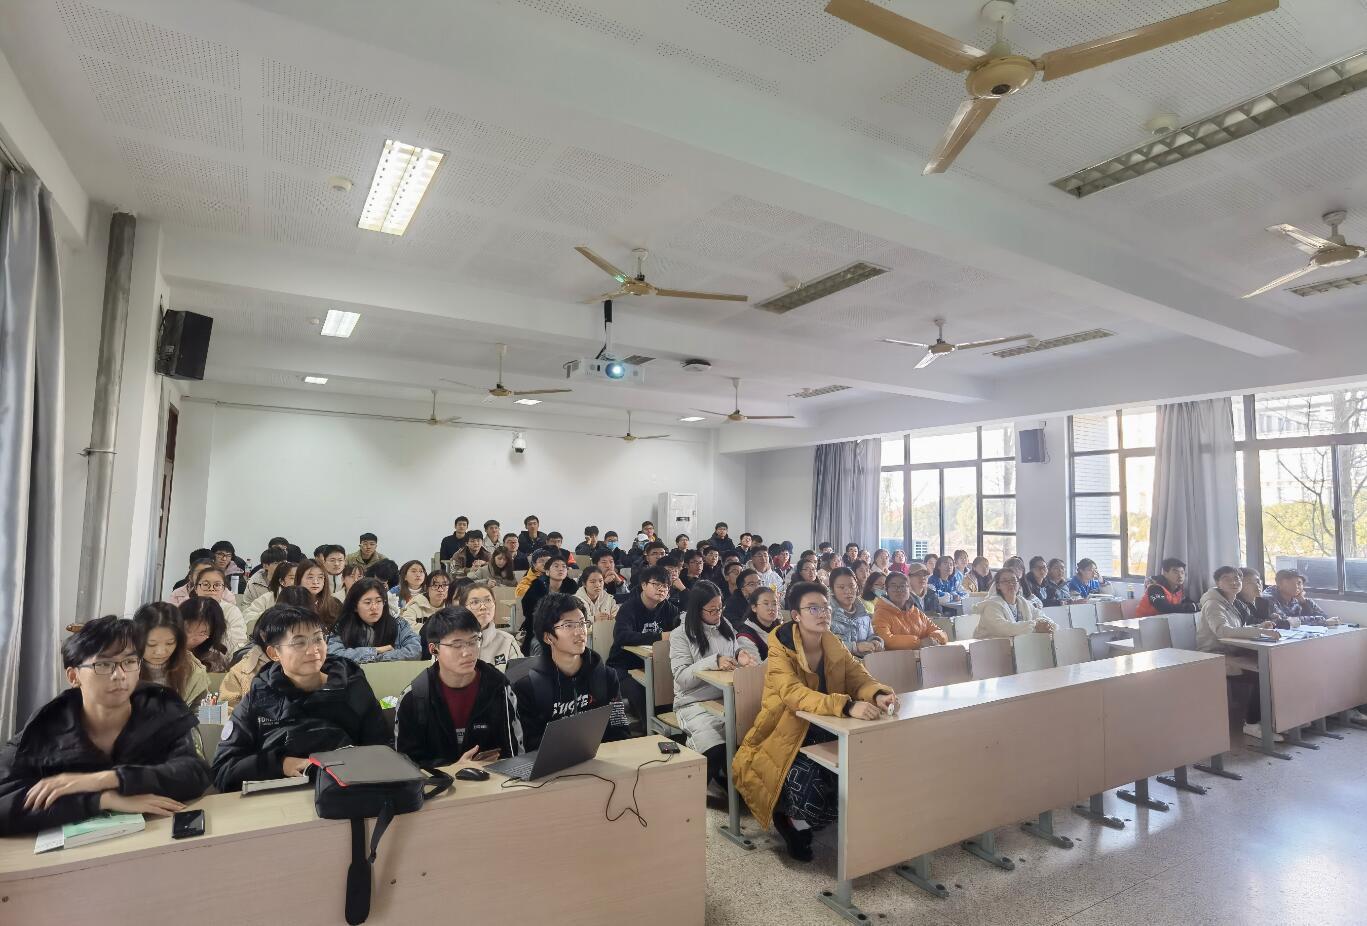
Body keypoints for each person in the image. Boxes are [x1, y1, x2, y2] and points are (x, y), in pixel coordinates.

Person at [0, 616, 211, 835]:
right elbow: (4, 798)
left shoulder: (162, 706)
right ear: (73, 676)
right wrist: (101, 800)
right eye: (103, 664)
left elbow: (195, 772)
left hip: (156, 834)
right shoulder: (47, 724)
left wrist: (106, 780)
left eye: (129, 662)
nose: (119, 675)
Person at [733, 582, 895, 861]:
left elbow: (858, 677)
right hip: (787, 728)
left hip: (827, 723)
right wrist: (846, 706)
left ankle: (809, 818)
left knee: (863, 764)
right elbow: (793, 694)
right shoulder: (780, 647)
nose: (823, 613)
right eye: (813, 608)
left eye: (826, 607)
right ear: (796, 615)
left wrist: (878, 693)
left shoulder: (833, 643)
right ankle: (788, 817)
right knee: (812, 785)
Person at [212, 605, 392, 793]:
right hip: (279, 799)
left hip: (345, 794)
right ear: (274, 653)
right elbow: (223, 770)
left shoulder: (352, 687)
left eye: (318, 639)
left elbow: (382, 752)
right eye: (299, 643)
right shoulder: (259, 697)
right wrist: (281, 764)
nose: (313, 650)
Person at [395, 607, 524, 767]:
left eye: (473, 641)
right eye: (457, 645)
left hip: (493, 779)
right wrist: (454, 769)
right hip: (437, 782)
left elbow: (514, 753)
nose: (467, 652)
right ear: (434, 649)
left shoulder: (498, 687)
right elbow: (406, 766)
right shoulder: (414, 697)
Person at [513, 593, 632, 750]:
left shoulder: (606, 676)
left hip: (602, 758)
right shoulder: (527, 688)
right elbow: (529, 746)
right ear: (548, 637)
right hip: (554, 762)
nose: (580, 631)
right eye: (568, 625)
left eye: (582, 623)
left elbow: (620, 731)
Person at [671, 582, 759, 791]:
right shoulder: (681, 634)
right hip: (694, 703)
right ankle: (688, 796)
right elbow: (681, 677)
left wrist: (740, 655)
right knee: (715, 749)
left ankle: (732, 782)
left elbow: (733, 651)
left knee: (754, 740)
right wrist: (714, 661)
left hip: (728, 698)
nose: (718, 614)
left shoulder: (724, 624)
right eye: (712, 610)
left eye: (720, 608)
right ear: (697, 609)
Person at [1198, 566, 1280, 740]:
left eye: (1237, 578)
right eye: (1227, 579)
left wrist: (1259, 626)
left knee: (1275, 667)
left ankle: (1278, 720)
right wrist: (1260, 632)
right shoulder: (1213, 604)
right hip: (1214, 655)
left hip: (1234, 651)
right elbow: (1223, 631)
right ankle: (1251, 724)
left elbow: (1238, 629)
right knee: (1263, 674)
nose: (1234, 582)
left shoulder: (1233, 602)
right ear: (1218, 583)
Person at [609, 564, 681, 731]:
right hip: (623, 666)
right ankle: (649, 730)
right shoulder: (629, 608)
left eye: (666, 586)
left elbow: (680, 632)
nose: (662, 589)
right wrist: (659, 637)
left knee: (667, 689)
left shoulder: (669, 608)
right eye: (656, 584)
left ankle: (670, 731)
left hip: (655, 665)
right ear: (643, 585)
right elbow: (621, 636)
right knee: (641, 691)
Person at [133, 602, 210, 709]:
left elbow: (201, 713)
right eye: (151, 644)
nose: (160, 652)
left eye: (169, 643)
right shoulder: (122, 668)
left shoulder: (194, 672)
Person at [328, 578, 424, 663]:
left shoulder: (398, 624)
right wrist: (375, 651)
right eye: (367, 602)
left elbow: (415, 650)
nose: (374, 607)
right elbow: (333, 654)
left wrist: (380, 657)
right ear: (355, 606)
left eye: (378, 601)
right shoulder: (343, 626)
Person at [872, 570, 948, 650]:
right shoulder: (881, 613)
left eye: (903, 586)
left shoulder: (916, 611)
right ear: (886, 590)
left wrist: (933, 639)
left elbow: (939, 632)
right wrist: (919, 643)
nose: (899, 590)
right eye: (894, 586)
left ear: (909, 589)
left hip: (923, 655)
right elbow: (886, 640)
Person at [456, 581, 521, 670]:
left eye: (488, 600)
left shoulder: (507, 641)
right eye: (475, 602)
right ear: (463, 608)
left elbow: (519, 675)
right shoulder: (452, 641)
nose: (483, 607)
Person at [520, 556, 579, 653]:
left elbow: (575, 610)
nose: (561, 569)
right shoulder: (537, 585)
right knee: (540, 646)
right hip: (538, 628)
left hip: (566, 628)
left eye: (564, 566)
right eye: (556, 566)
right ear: (547, 572)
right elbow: (528, 610)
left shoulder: (572, 587)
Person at [976, 569, 1057, 639]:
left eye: (1013, 580)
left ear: (1019, 584)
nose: (1010, 584)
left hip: (1016, 646)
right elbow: (1004, 629)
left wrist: (1047, 624)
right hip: (989, 647)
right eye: (1005, 581)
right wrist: (1035, 626)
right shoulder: (992, 605)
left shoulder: (1023, 602)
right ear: (998, 586)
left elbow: (1040, 615)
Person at [188, 565, 249, 653]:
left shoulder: (231, 611)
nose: (211, 589)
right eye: (205, 584)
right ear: (196, 588)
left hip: (223, 656)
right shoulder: (187, 608)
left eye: (217, 585)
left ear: (223, 589)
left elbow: (238, 642)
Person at [829, 566, 882, 656]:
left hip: (865, 662)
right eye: (841, 587)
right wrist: (854, 647)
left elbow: (870, 635)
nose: (848, 591)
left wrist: (875, 641)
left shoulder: (863, 613)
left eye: (852, 586)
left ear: (857, 587)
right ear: (832, 590)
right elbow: (826, 645)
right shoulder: (827, 614)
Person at [1262, 569, 1339, 627]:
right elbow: (1285, 621)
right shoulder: (1268, 599)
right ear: (1279, 584)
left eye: (1299, 583)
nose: (1296, 587)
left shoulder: (1298, 597)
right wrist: (1322, 622)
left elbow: (1324, 617)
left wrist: (1304, 603)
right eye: (1291, 583)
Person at [242, 555, 298, 629]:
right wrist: (272, 616)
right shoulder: (268, 597)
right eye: (292, 578)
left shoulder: (307, 597)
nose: (297, 581)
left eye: (300, 577)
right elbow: (248, 615)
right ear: (282, 581)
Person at [180, 596, 231, 673]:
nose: (190, 637)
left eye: (202, 633)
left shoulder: (214, 660)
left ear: (212, 634)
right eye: (187, 629)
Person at [292, 560, 342, 630]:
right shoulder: (291, 604)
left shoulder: (335, 604)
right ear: (299, 579)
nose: (315, 582)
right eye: (310, 577)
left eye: (320, 577)